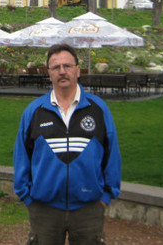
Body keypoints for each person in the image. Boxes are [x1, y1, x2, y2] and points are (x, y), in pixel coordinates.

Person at [13, 43, 121, 245]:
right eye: (56, 67)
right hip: (45, 209)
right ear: (49, 73)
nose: (62, 71)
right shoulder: (34, 111)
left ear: (78, 70)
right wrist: (26, 196)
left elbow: (111, 154)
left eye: (67, 66)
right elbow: (22, 156)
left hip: (88, 209)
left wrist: (106, 196)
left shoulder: (98, 109)